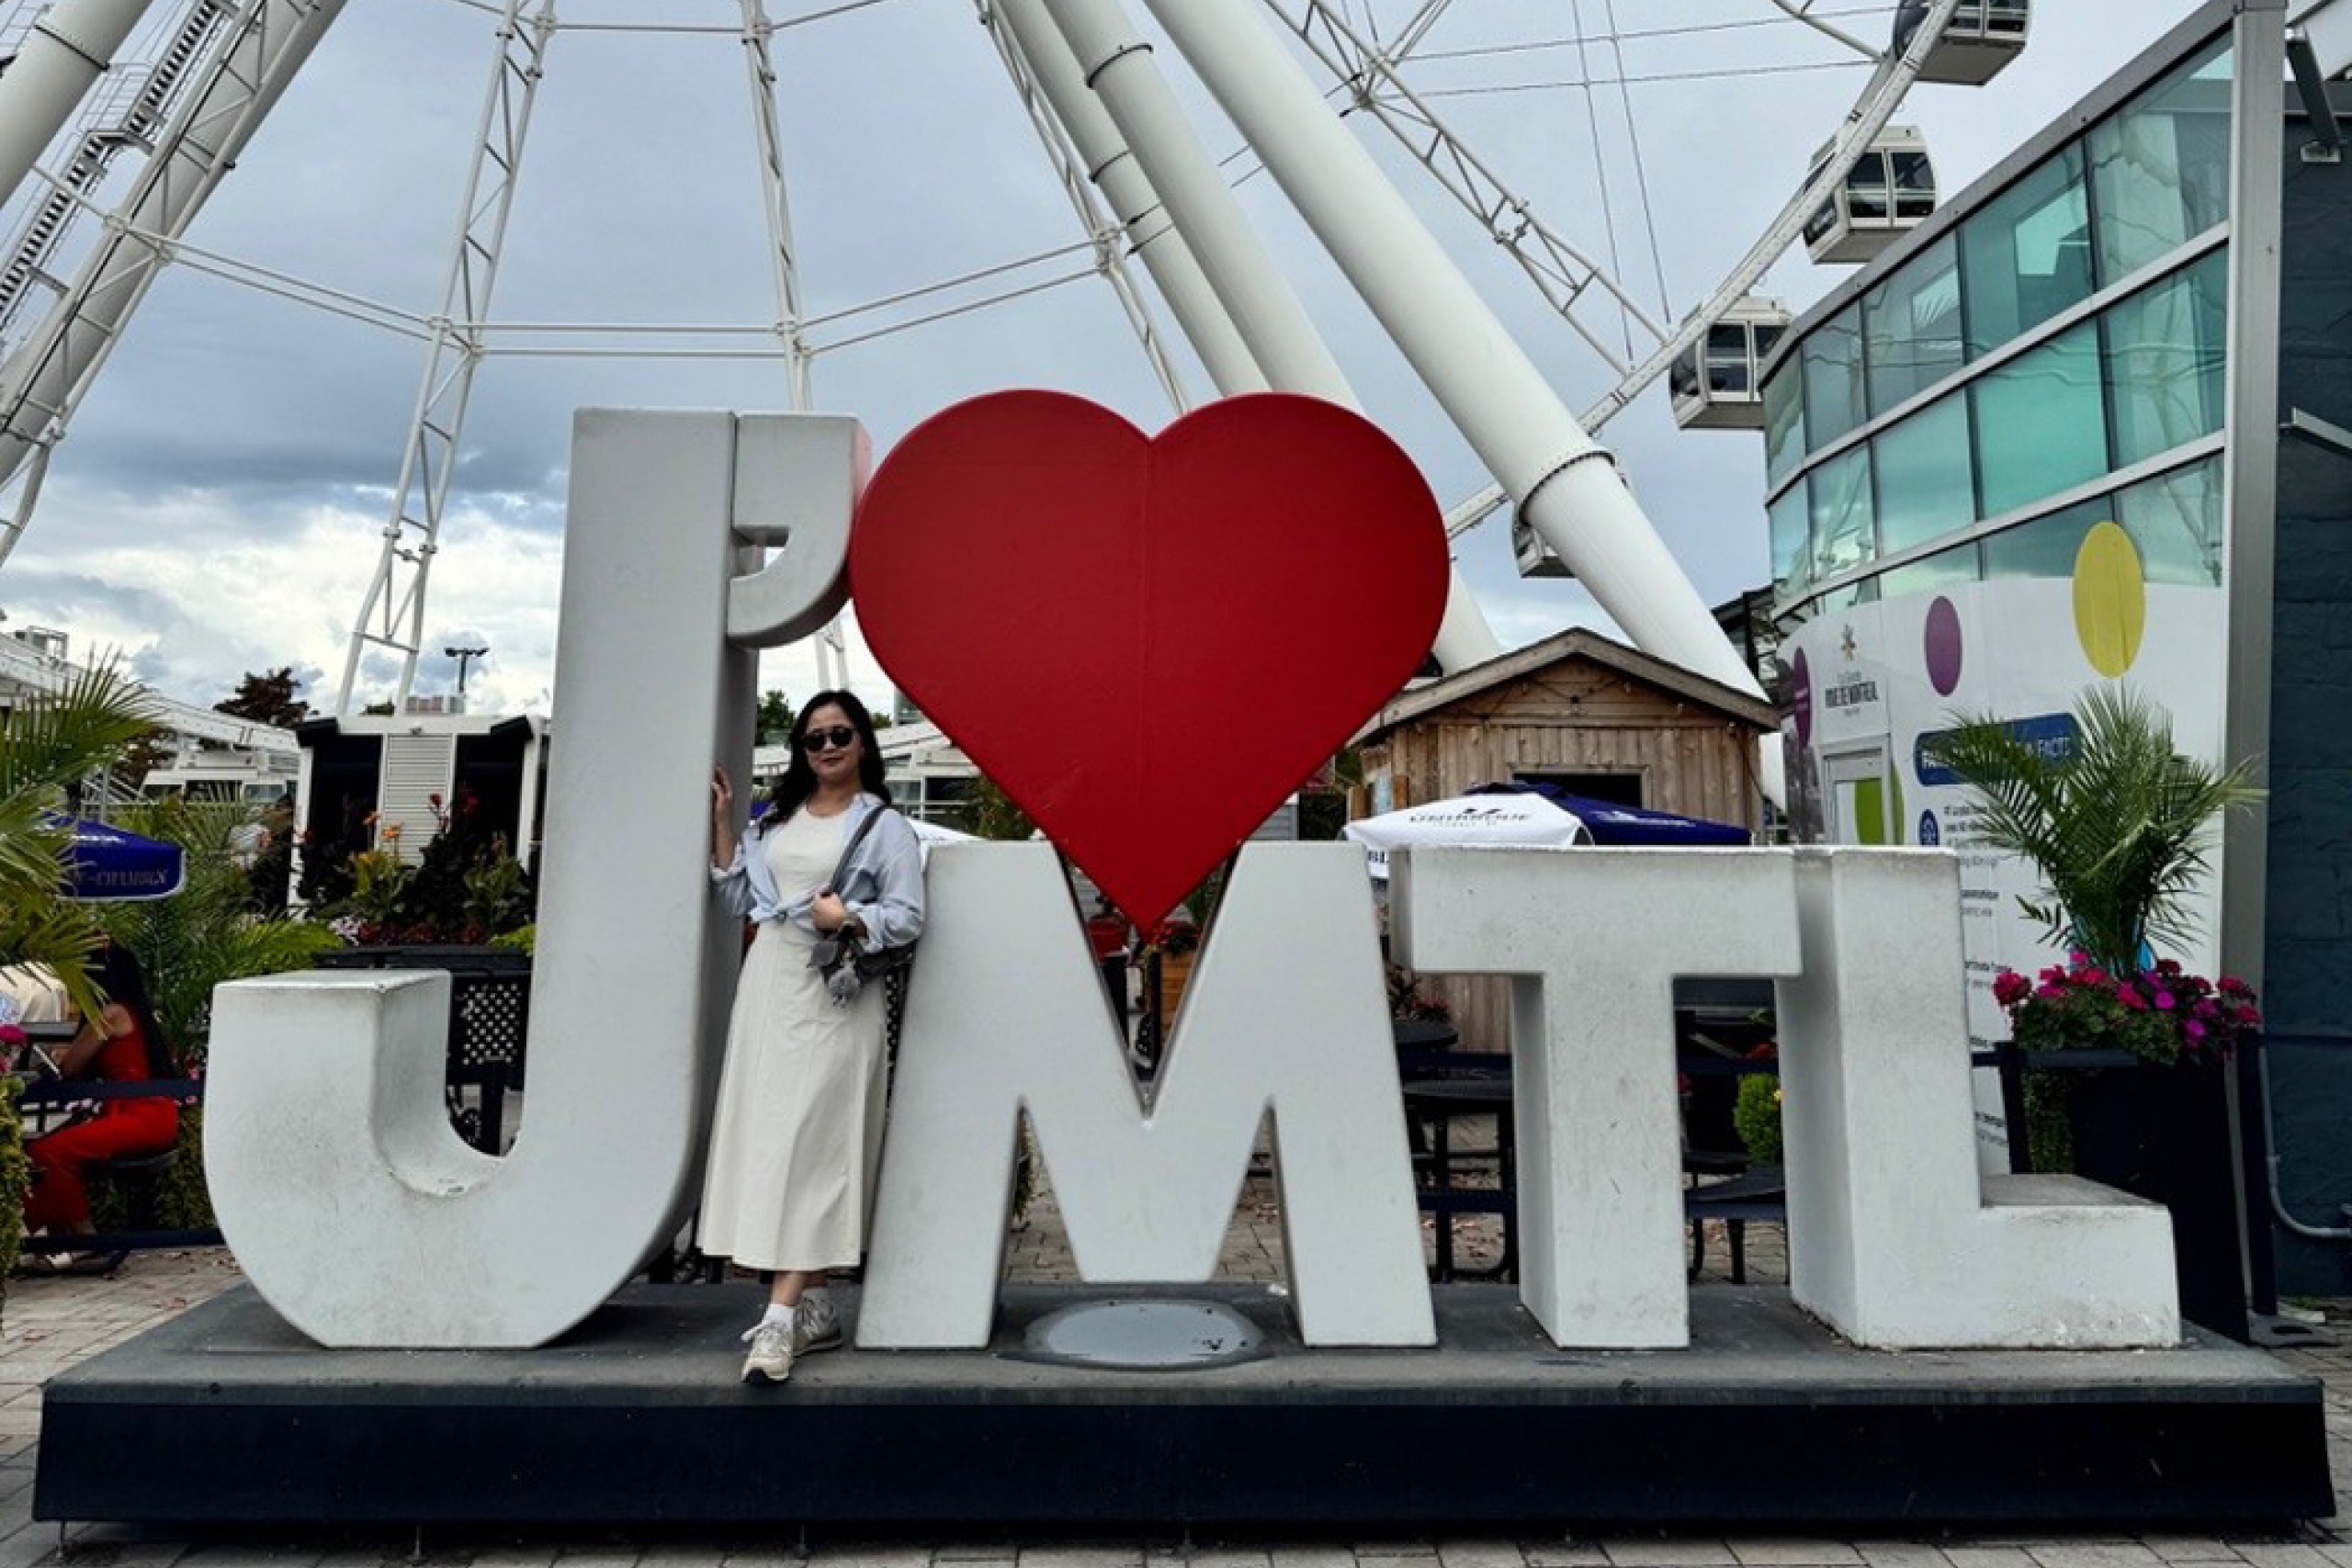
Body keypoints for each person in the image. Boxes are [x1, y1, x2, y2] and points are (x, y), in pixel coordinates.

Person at [703, 690, 925, 1384]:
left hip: (833, 996)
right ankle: (816, 1307)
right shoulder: (778, 819)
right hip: (768, 986)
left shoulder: (885, 828)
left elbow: (909, 915)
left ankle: (778, 1319)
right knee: (774, 1141)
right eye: (813, 737)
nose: (826, 747)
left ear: (864, 742)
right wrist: (722, 825)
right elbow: (739, 896)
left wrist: (849, 917)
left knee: (815, 1145)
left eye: (840, 734)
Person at [23, 942, 179, 1269]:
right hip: (149, 1113)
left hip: (139, 1115)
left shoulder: (110, 1015)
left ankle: (84, 1236)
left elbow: (70, 1066)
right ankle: (52, 1235)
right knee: (46, 1150)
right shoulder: (132, 1012)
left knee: (46, 1153)